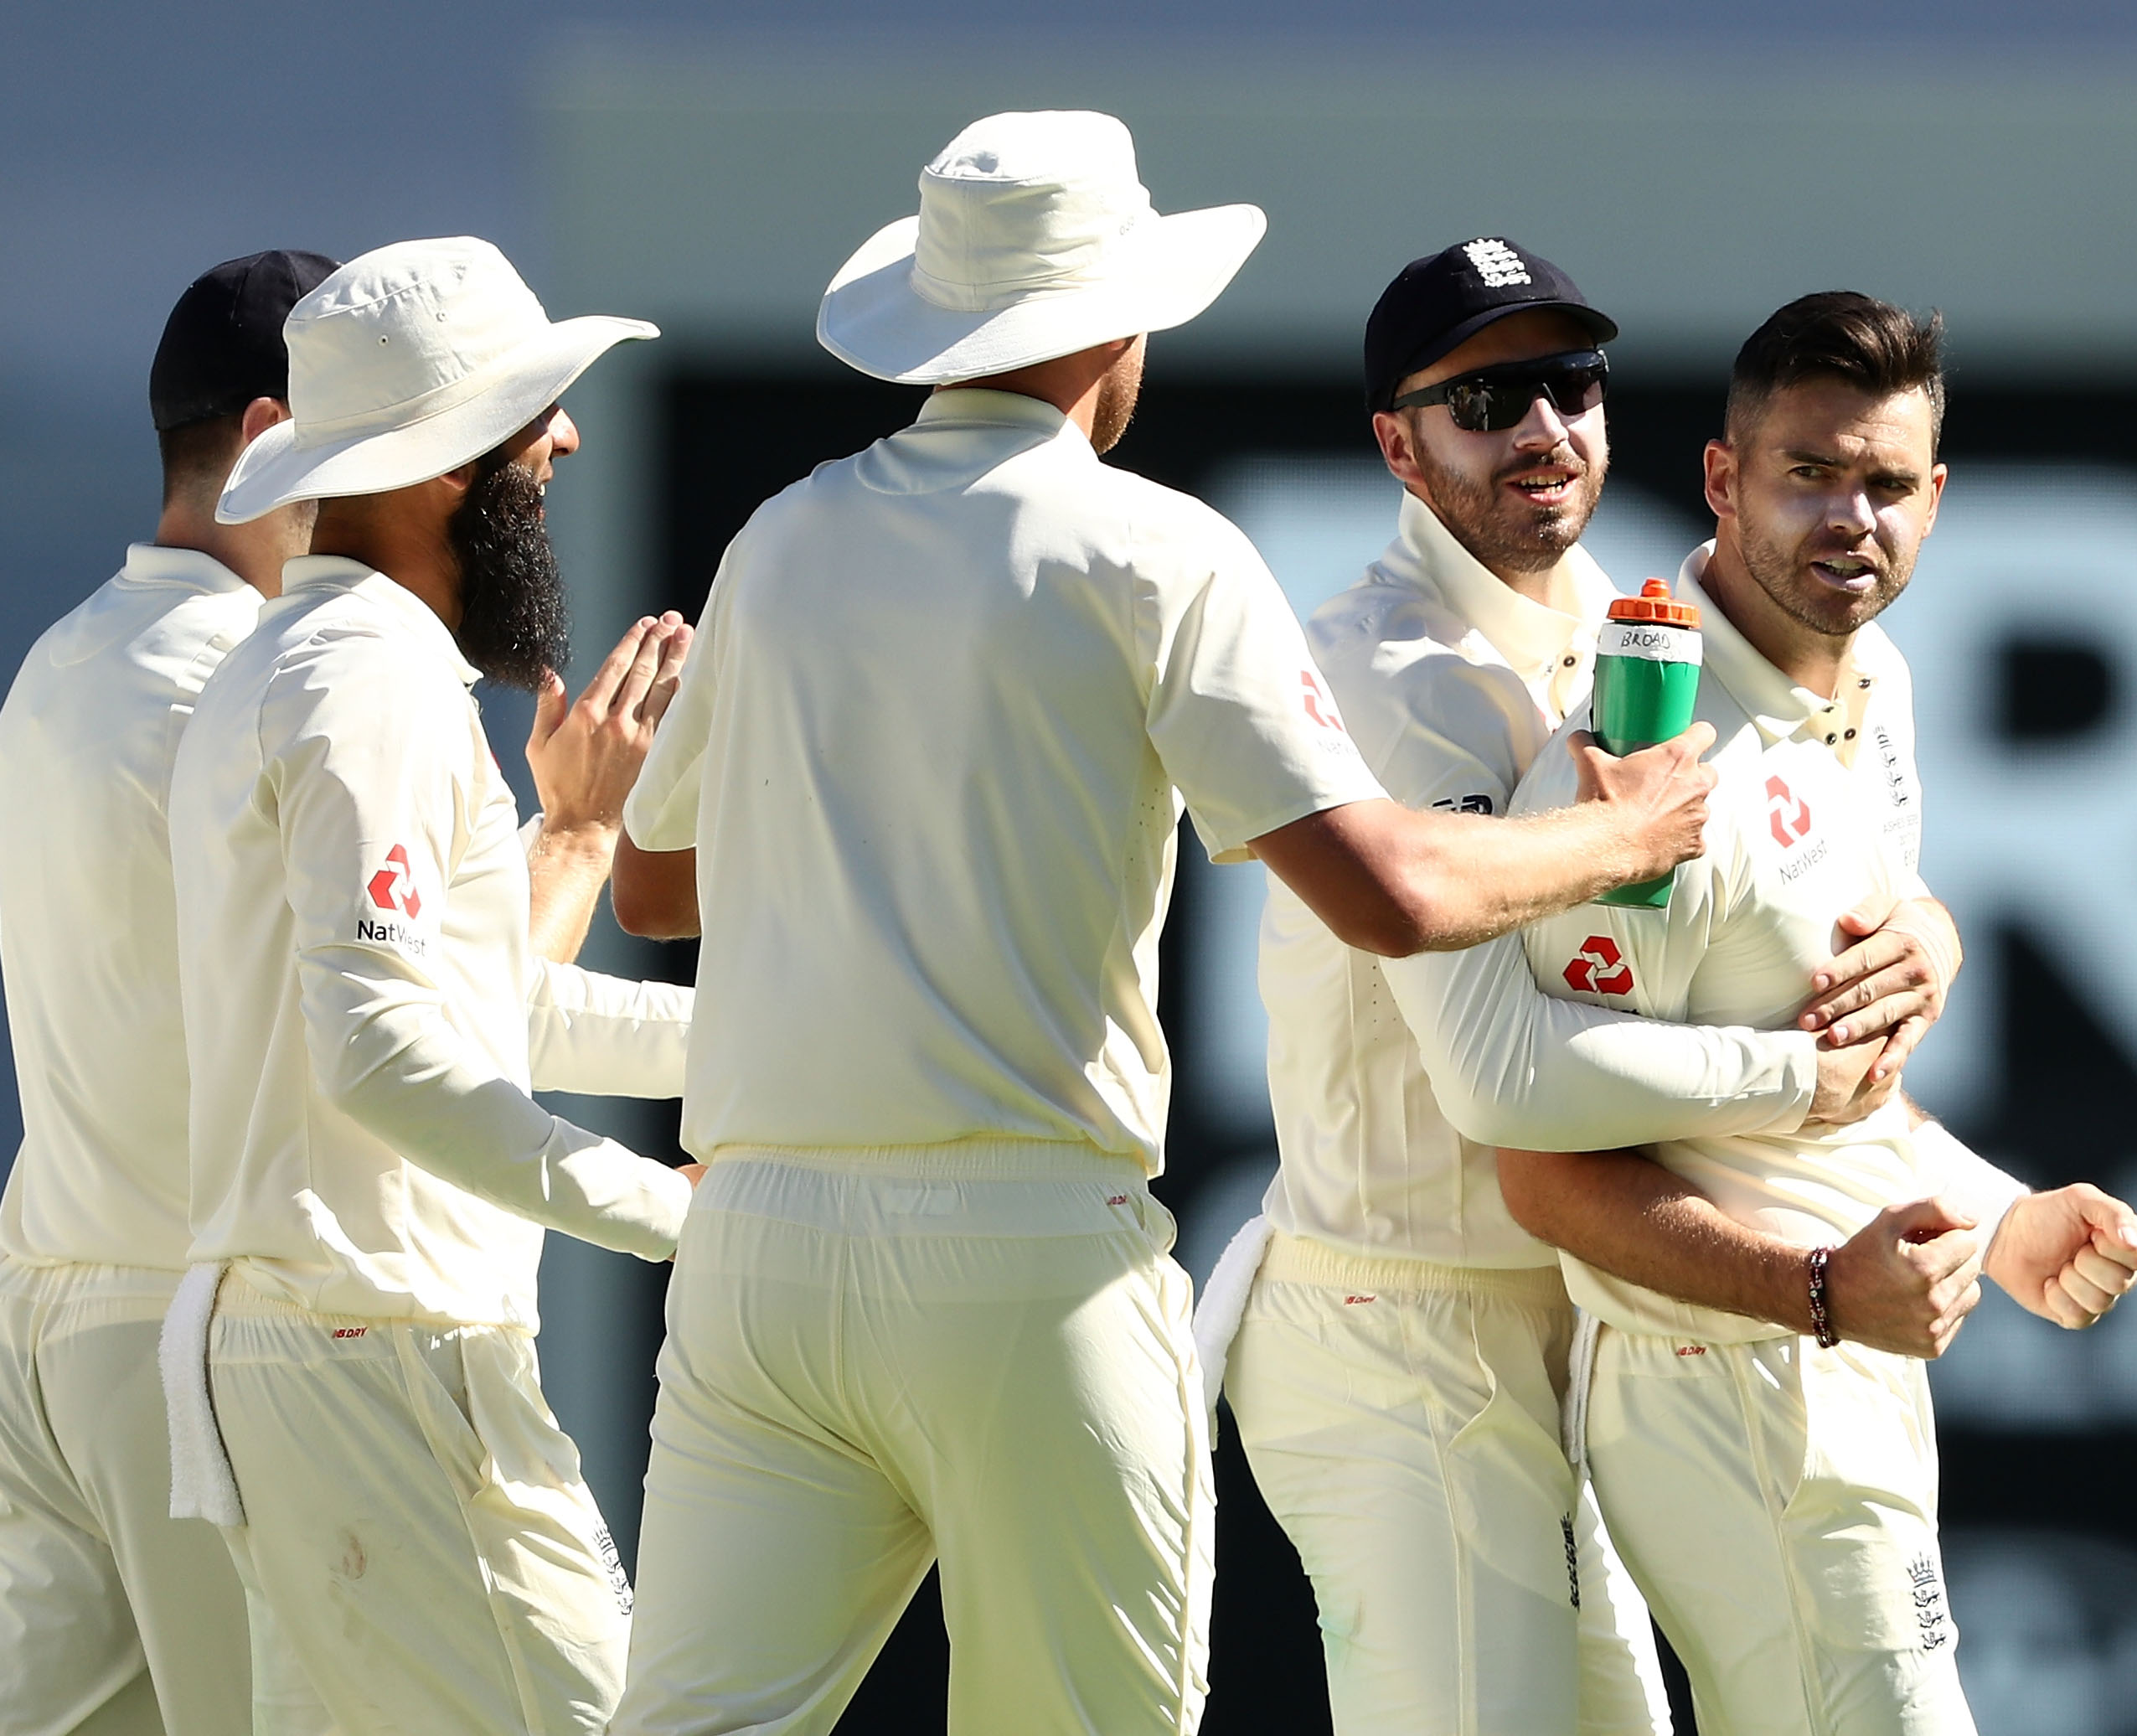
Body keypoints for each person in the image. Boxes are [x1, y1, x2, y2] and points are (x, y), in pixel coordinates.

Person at [606, 112, 1752, 1736]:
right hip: (1022, 1256)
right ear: (1112, 328)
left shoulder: (784, 535)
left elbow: (657, 890)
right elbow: (1397, 893)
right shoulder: (1153, 547)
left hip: (758, 1255)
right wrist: (1622, 828)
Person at [1218, 241, 1974, 1736]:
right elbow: (1501, 1081)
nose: (1543, 430)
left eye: (1568, 384)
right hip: (1399, 1321)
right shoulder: (1385, 668)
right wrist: (1798, 1076)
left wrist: (1924, 931)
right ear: (1395, 446)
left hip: (1587, 1313)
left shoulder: (1627, 628)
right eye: (1485, 400)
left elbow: (1790, 849)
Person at [1490, 292, 2137, 1734]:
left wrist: (1995, 1214)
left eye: (1884, 484)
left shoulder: (1876, 685)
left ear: (1936, 500)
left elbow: (1843, 1085)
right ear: (1722, 480)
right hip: (1718, 1383)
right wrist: (1808, 1294)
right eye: (1807, 473)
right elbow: (1546, 1165)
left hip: (1834, 1368)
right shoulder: (1644, 760)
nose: (1847, 516)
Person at [163, 236, 698, 1733]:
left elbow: (464, 1013)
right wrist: (681, 1221)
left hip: (322, 1349)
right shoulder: (367, 676)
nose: (568, 440)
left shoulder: (304, 660)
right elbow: (386, 1054)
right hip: (381, 1356)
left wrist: (793, 1052)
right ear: (439, 468)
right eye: (535, 418)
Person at [0, 251, 337, 1736]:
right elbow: (396, 1030)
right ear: (278, 433)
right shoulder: (271, 685)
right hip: (194, 1363)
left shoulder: (55, 663)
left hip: (39, 1338)